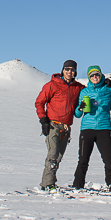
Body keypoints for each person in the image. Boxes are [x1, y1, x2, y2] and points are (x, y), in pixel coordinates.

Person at [35, 59, 85, 191]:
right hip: (53, 125)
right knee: (53, 154)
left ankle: (47, 182)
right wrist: (43, 120)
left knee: (58, 157)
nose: (69, 72)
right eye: (67, 69)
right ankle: (48, 184)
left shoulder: (78, 87)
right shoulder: (51, 85)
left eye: (72, 70)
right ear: (62, 70)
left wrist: (106, 83)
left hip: (66, 127)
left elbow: (90, 92)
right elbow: (39, 102)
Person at [72, 65, 111, 190]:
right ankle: (78, 185)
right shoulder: (84, 92)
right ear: (89, 77)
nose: (94, 77)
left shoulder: (108, 88)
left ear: (101, 75)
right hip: (87, 128)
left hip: (104, 128)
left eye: (97, 75)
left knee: (108, 159)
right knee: (83, 159)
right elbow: (77, 114)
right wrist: (80, 107)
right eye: (92, 75)